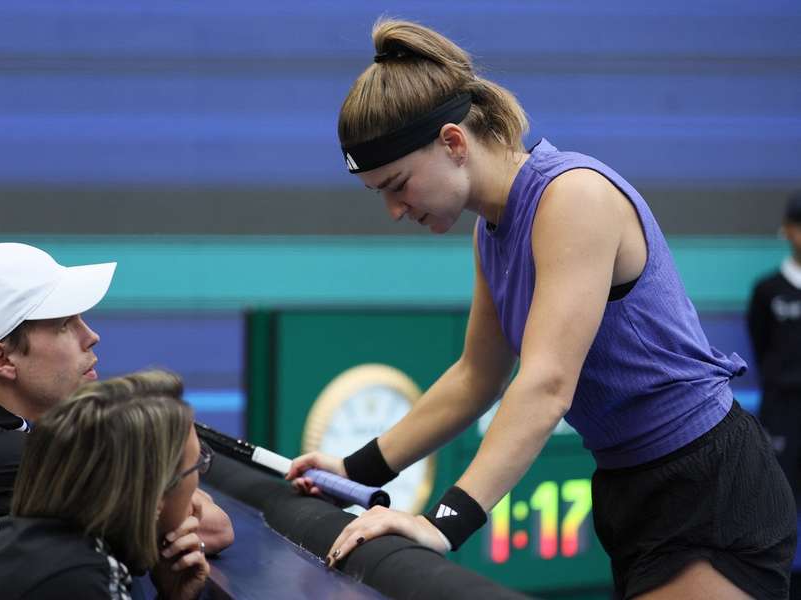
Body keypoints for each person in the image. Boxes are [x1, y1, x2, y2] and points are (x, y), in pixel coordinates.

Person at [288, 19, 796, 600]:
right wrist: (353, 472)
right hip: (630, 490)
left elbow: (547, 382)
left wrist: (442, 524)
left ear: (453, 143)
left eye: (397, 184)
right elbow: (476, 377)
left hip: (707, 486)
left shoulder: (573, 197)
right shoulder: (490, 232)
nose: (395, 210)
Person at [0, 243, 233, 579]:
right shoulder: (0, 459)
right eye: (63, 324)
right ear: (2, 359)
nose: (91, 336)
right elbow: (215, 529)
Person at [0, 369, 211, 599]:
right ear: (153, 497)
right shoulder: (81, 577)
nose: (197, 498)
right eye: (198, 465)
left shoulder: (37, 542)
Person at [748, 192, 801, 502]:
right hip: (781, 408)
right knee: (779, 498)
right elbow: (760, 342)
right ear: (788, 229)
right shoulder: (768, 290)